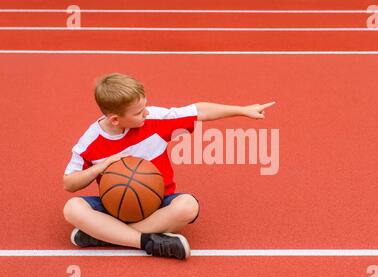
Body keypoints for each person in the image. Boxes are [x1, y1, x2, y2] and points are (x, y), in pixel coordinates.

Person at [63, 73, 274, 260]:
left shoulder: (154, 120)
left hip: (158, 203)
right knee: (72, 209)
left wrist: (242, 110)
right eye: (138, 112)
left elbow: (198, 111)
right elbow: (69, 183)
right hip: (115, 206)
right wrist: (100, 167)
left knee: (188, 206)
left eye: (145, 106)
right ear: (115, 119)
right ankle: (147, 242)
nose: (145, 113)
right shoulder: (90, 141)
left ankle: (105, 235)